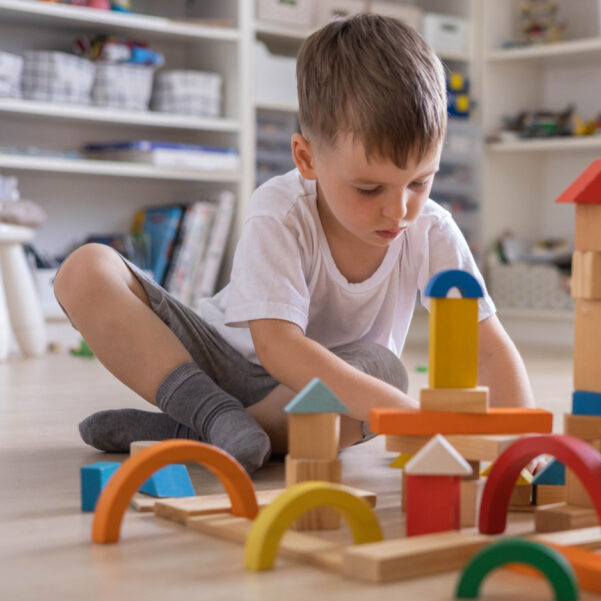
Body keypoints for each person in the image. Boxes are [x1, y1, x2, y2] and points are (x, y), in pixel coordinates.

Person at [54, 15, 534, 474]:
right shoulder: (281, 209)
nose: (399, 210)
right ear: (306, 158)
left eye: (420, 182)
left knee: (383, 371)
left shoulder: (432, 231)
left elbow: (487, 349)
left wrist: (523, 446)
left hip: (316, 396)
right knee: (85, 269)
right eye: (369, 189)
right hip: (221, 363)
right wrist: (408, 415)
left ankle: (191, 430)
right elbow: (279, 347)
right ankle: (210, 413)